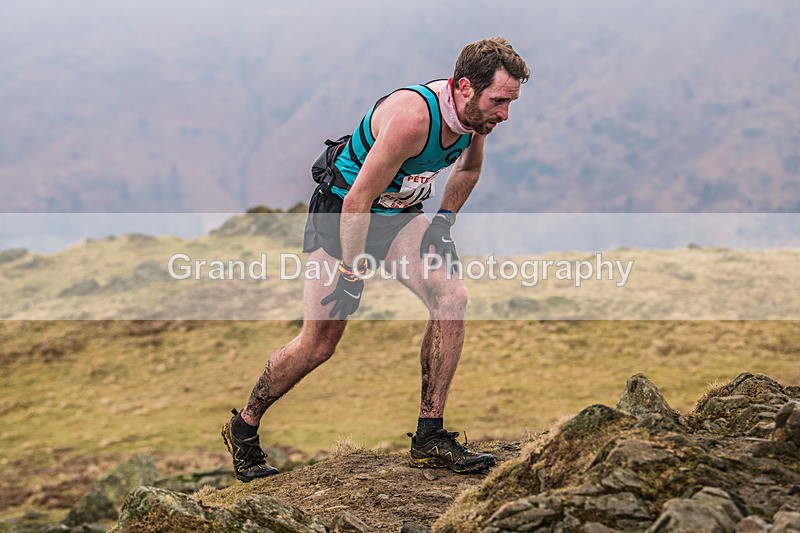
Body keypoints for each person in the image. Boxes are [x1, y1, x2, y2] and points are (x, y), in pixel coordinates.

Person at [222, 37, 530, 481]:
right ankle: (244, 426)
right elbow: (357, 201)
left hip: (398, 215)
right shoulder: (411, 119)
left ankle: (430, 435)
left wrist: (443, 220)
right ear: (464, 87)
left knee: (451, 297)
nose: (505, 114)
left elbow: (467, 169)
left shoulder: (476, 120)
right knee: (319, 344)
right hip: (343, 213)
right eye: (500, 101)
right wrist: (350, 270)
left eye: (510, 103)